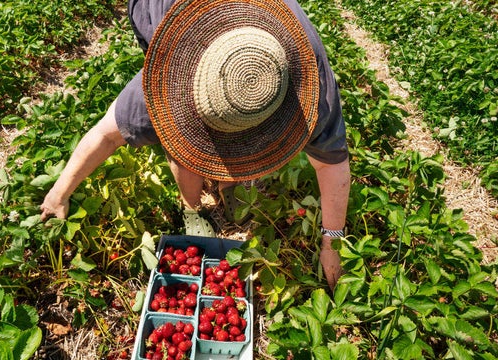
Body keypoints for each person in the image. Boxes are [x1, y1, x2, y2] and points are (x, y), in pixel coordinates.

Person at [39, 0, 350, 289]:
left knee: (228, 134)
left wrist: (331, 244)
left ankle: (230, 188)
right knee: (181, 141)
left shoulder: (313, 87)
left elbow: (332, 162)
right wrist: (58, 194)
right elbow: (106, 135)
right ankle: (191, 210)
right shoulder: (161, 90)